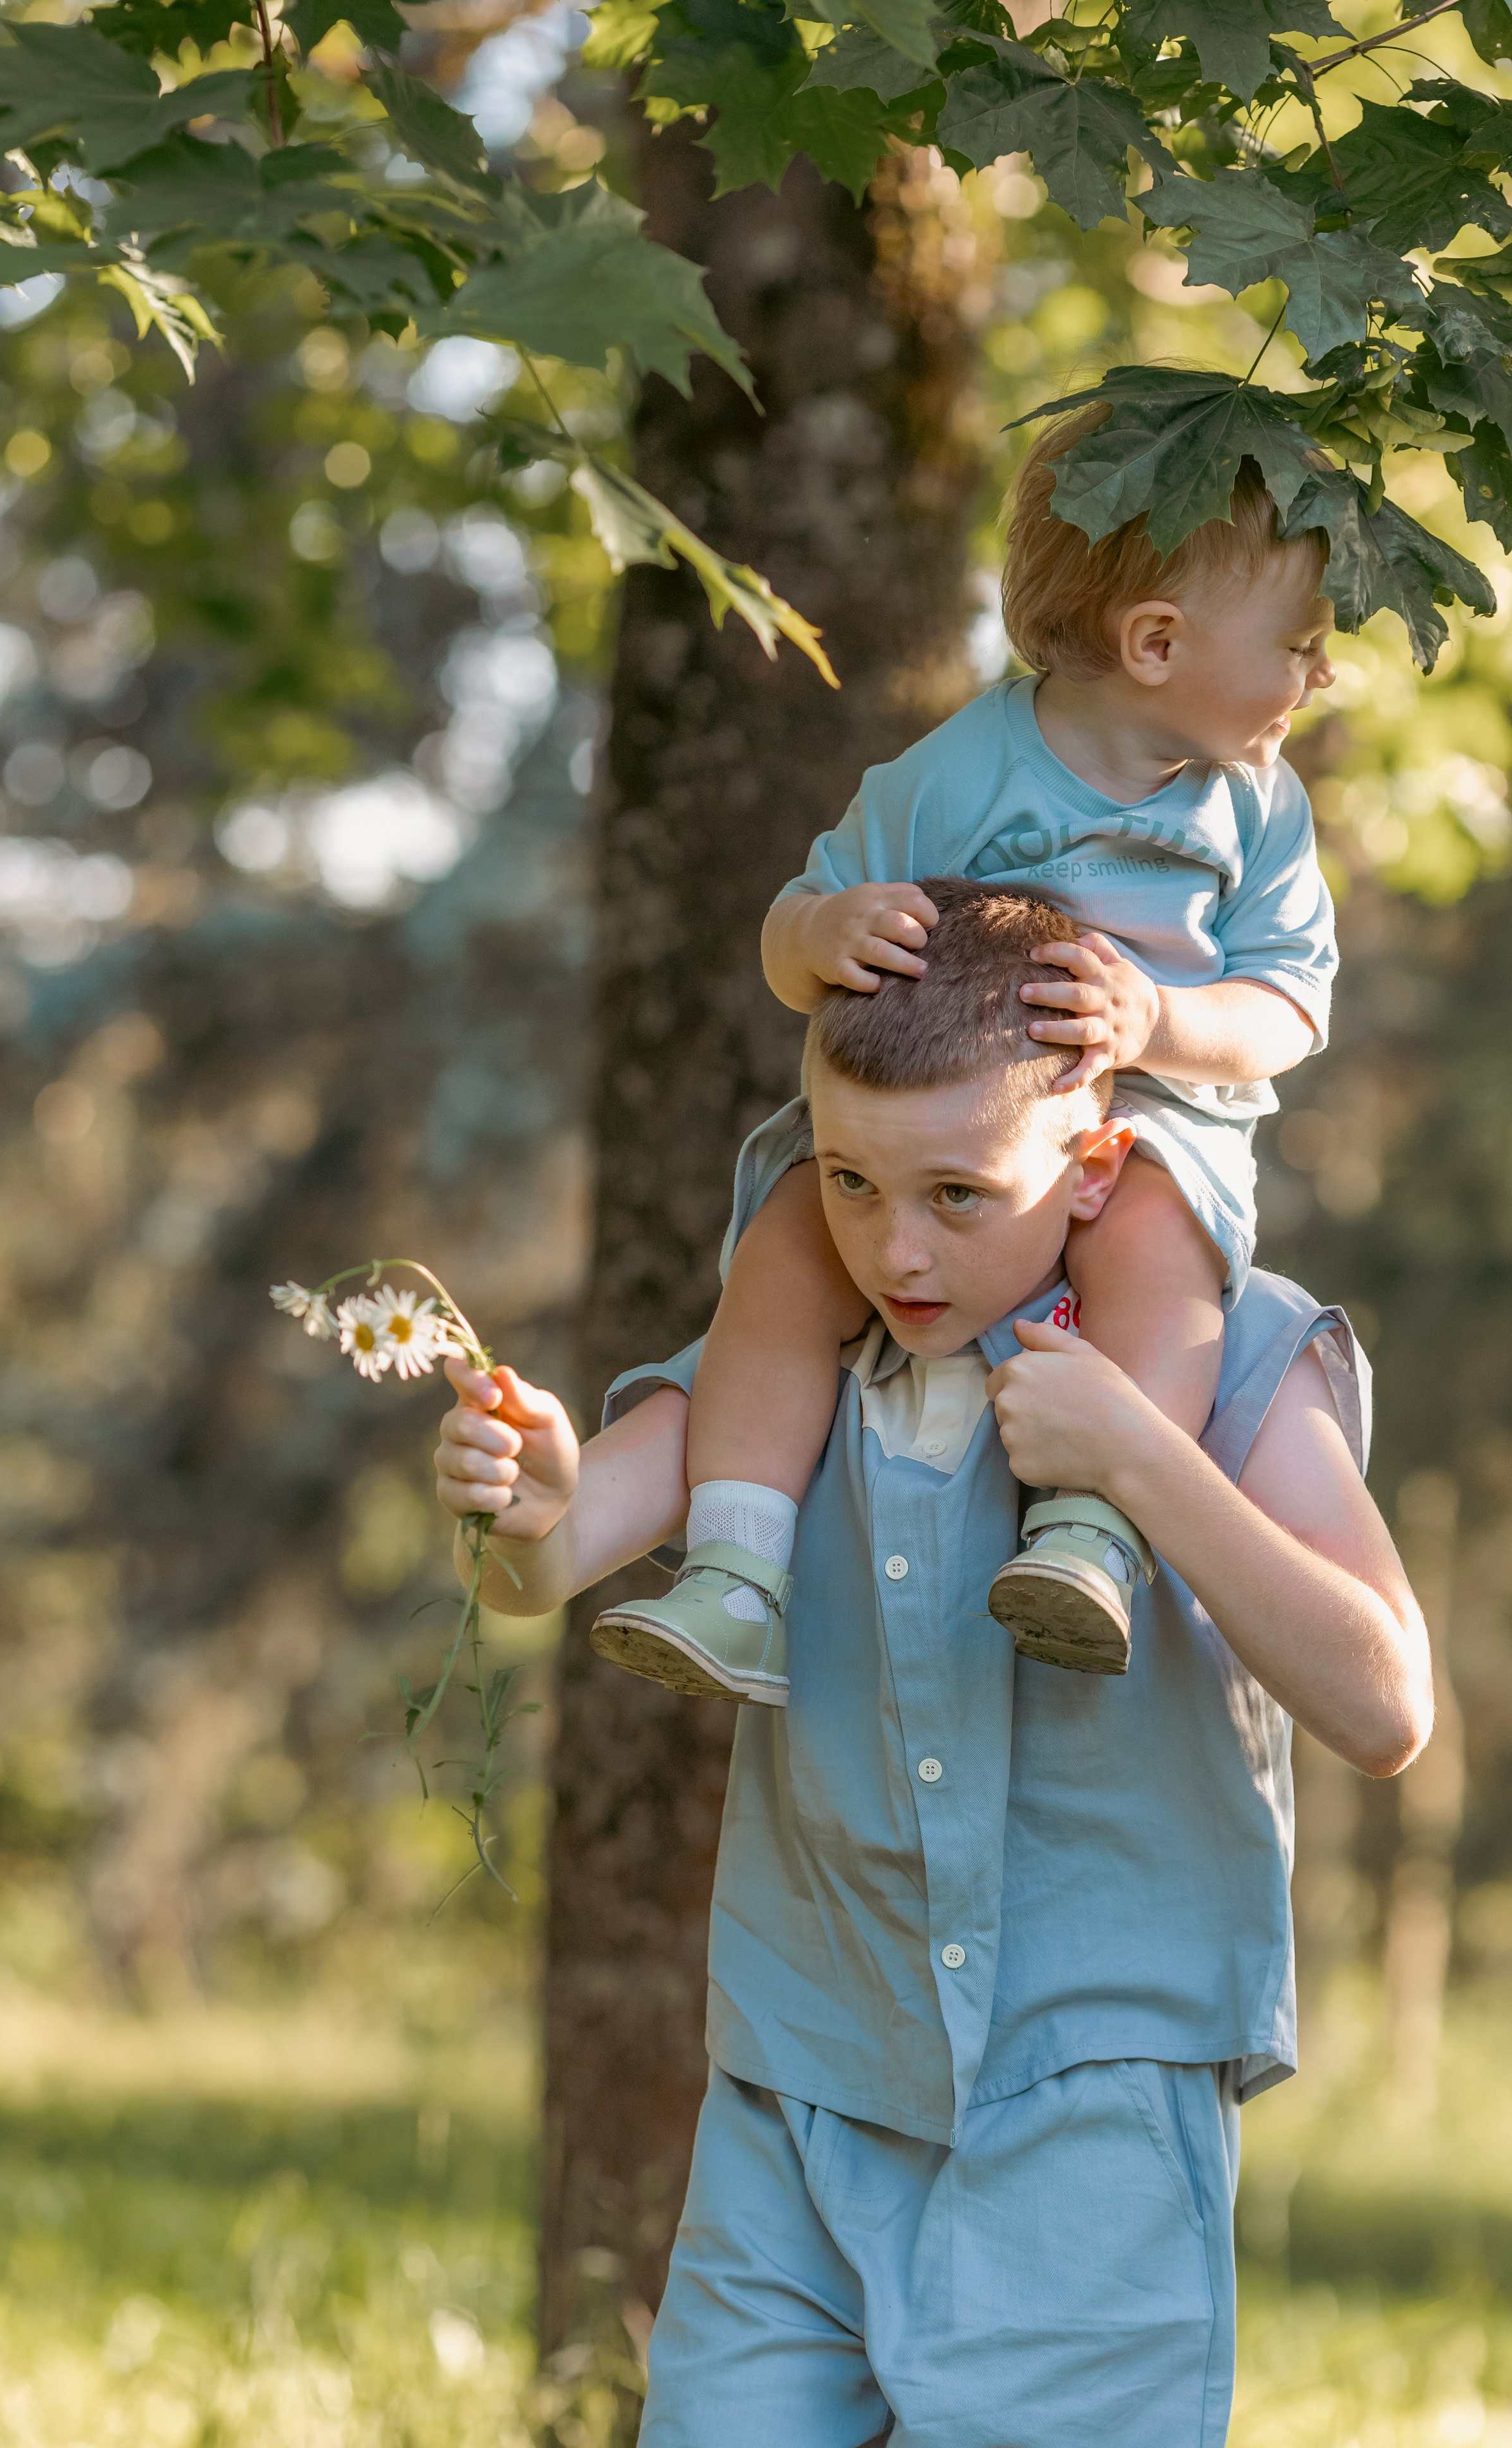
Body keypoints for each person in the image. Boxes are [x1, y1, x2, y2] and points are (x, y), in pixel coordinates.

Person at [433, 883, 1430, 2447]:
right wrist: (534, 1501)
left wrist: (1140, 1465)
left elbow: (1385, 1706)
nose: (892, 1249)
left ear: (1094, 1166)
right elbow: (555, 1557)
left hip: (1088, 2100)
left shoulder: (1238, 1357)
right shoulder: (786, 1370)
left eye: (957, 1195)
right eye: (846, 1183)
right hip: (800, 2089)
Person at [586, 411, 1339, 1697]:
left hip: (1149, 1123)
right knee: (780, 1261)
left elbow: (1288, 1006)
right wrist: (826, 926)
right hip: (923, 1136)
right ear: (1153, 642)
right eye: (1299, 647)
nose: (1318, 677)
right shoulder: (953, 777)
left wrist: (1158, 1022)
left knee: (1156, 1263)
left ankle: (1090, 1534)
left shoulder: (1255, 812)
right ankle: (734, 1568)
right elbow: (784, 934)